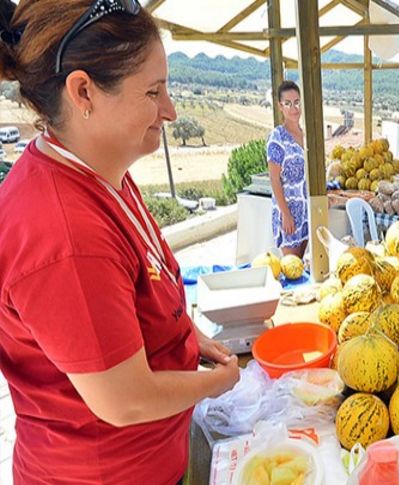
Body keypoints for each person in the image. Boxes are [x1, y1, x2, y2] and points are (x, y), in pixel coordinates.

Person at [0, 1, 240, 483]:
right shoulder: (64, 234)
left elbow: (138, 293)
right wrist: (216, 384)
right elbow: (123, 401)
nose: (169, 111)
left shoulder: (100, 171)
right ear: (83, 91)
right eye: (153, 92)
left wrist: (184, 337)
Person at [267, 80, 309, 258]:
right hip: (289, 213)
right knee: (291, 267)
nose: (294, 108)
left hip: (307, 212)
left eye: (297, 102)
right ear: (280, 106)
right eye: (288, 103)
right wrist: (286, 214)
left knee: (305, 270)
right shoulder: (277, 138)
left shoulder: (306, 135)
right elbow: (274, 180)